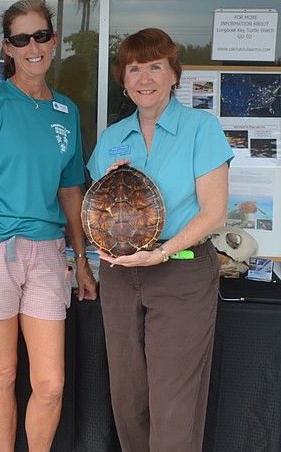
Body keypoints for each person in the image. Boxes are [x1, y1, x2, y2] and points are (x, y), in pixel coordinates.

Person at [0, 0, 97, 452]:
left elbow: (71, 193)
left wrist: (82, 260)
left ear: (53, 41)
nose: (33, 46)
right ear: (8, 48)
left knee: (50, 383)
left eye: (41, 36)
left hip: (49, 253)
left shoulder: (67, 112)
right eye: (20, 38)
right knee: (4, 372)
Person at [86, 28, 233, 452]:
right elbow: (99, 213)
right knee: (128, 395)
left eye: (155, 66)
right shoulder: (114, 138)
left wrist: (162, 252)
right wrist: (114, 187)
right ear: (123, 78)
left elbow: (214, 212)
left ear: (174, 74)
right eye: (135, 68)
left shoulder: (200, 128)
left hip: (180, 268)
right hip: (119, 272)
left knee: (173, 398)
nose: (144, 78)